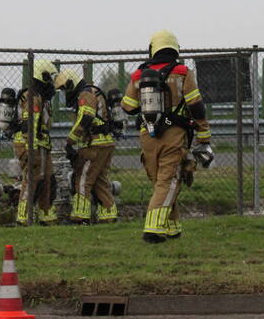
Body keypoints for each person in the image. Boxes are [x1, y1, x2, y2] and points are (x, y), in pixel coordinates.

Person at [120, 30, 213, 243]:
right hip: (174, 134)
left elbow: (127, 106)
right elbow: (196, 106)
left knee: (160, 181)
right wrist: (204, 136)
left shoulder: (139, 74)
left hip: (147, 134)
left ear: (153, 48)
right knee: (169, 180)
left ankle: (173, 228)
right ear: (174, 48)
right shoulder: (183, 72)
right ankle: (153, 229)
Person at [53, 69, 118, 224]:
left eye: (64, 89)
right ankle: (109, 215)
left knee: (82, 179)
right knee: (100, 181)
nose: (64, 92)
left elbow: (86, 118)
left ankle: (80, 216)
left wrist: (70, 142)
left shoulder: (85, 94)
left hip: (94, 144)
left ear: (71, 83)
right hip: (104, 142)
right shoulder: (91, 91)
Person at [13, 59, 59, 226]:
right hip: (30, 144)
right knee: (32, 179)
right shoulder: (33, 96)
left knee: (47, 179)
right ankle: (23, 216)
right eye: (50, 77)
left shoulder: (42, 98)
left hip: (41, 144)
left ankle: (46, 215)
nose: (52, 82)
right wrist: (31, 148)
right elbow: (30, 124)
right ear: (43, 76)